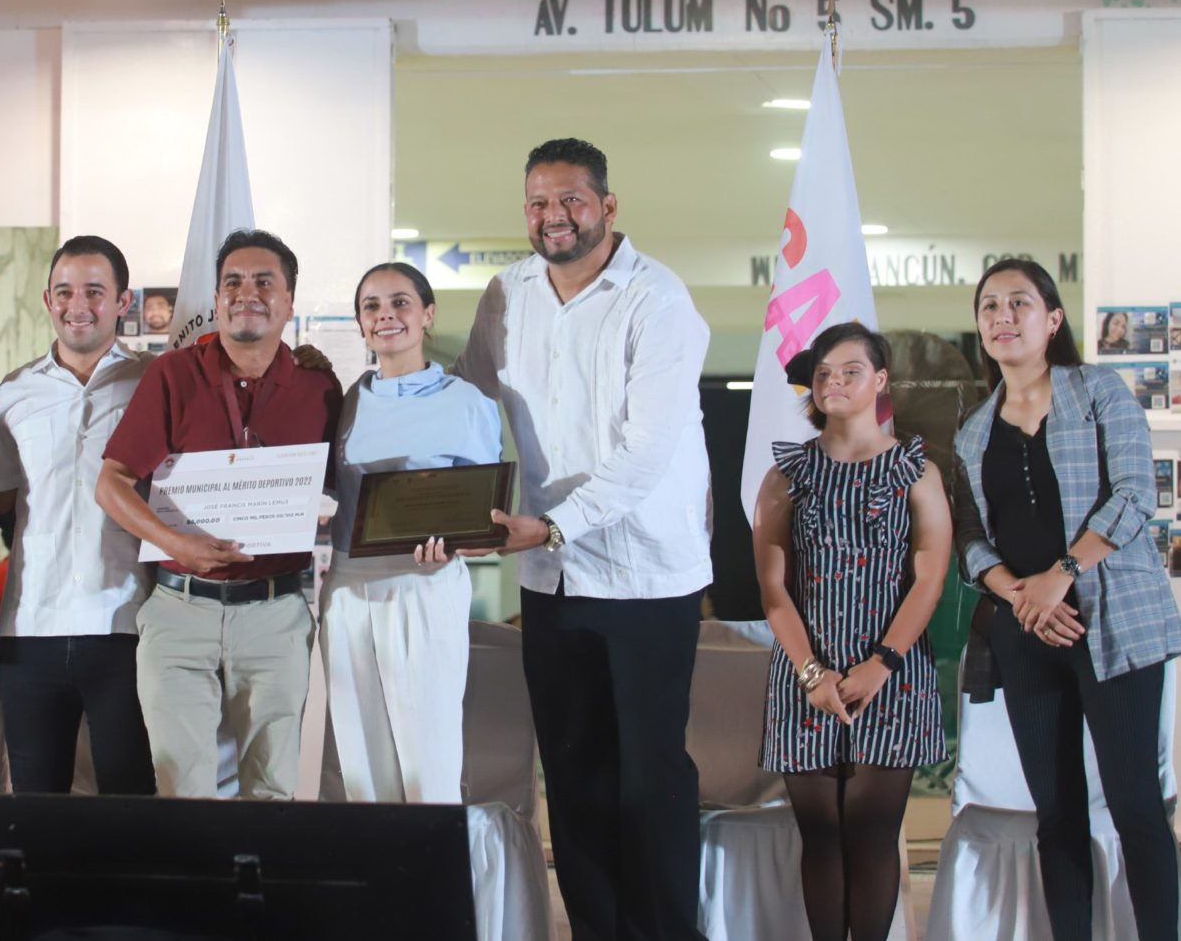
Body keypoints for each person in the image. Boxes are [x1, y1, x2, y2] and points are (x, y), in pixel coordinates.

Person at [455, 137, 713, 939]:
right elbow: (466, 400)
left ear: (607, 205)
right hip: (551, 579)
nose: (553, 216)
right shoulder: (507, 292)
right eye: (538, 202)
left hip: (647, 576)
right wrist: (384, 396)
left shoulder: (658, 299)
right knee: (573, 777)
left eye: (571, 199)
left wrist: (556, 524)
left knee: (651, 779)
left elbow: (647, 452)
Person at [954, 258, 1181, 940]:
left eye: (1019, 303)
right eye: (989, 306)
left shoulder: (1099, 390)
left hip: (1115, 623)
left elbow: (1136, 494)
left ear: (1053, 319)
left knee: (1137, 805)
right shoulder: (972, 430)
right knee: (1055, 815)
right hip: (1027, 631)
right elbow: (971, 538)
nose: (1002, 316)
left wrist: (1061, 573)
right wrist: (1018, 593)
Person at [96, 229, 341, 799]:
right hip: (180, 611)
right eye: (233, 281)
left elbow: (345, 489)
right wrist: (176, 543)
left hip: (276, 612)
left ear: (289, 301)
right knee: (182, 793)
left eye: (264, 282)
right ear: (216, 297)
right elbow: (111, 483)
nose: (246, 293)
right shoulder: (172, 374)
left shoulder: (318, 387)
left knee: (272, 791)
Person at [751, 322, 949, 941]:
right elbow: (774, 589)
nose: (834, 382)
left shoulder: (915, 471)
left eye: (850, 370)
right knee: (820, 836)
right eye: (824, 374)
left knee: (871, 834)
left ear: (880, 380)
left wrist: (880, 663)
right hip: (805, 676)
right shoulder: (787, 474)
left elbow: (929, 580)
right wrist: (812, 673)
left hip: (892, 674)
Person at [0, 235, 156, 794]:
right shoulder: (16, 391)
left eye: (94, 292)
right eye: (64, 292)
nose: (78, 305)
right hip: (31, 626)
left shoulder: (154, 382)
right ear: (47, 300)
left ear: (123, 301)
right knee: (37, 805)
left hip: (127, 623)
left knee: (130, 802)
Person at [322, 262, 502, 803]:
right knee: (360, 762)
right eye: (372, 306)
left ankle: (433, 858)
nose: (386, 315)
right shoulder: (347, 402)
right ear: (360, 323)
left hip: (425, 585)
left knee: (428, 758)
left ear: (427, 314)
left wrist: (453, 544)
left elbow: (485, 513)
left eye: (400, 302)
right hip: (349, 586)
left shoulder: (466, 401)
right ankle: (376, 860)